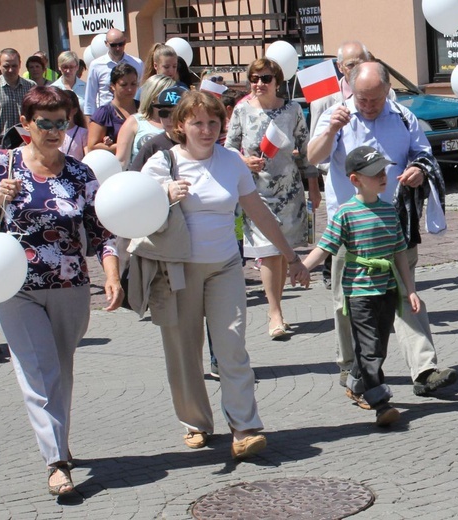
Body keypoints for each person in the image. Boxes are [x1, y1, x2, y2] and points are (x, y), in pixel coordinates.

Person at [0, 86, 123, 496]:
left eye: (61, 122)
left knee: (60, 368)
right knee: (39, 370)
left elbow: (100, 230)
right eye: (44, 123)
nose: (53, 131)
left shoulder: (79, 172)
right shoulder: (3, 165)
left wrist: (112, 274)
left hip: (70, 286)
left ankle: (58, 439)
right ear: (26, 125)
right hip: (15, 286)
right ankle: (56, 463)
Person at [139, 90, 310, 459]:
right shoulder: (162, 163)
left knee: (231, 346)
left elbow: (258, 212)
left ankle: (244, 426)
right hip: (177, 271)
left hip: (224, 268)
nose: (206, 129)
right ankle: (195, 422)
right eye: (197, 122)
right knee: (184, 352)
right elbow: (135, 209)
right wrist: (165, 193)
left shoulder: (231, 161)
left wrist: (290, 255)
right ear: (181, 125)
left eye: (213, 122)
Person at [308, 61, 458, 397]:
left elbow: (425, 154)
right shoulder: (337, 115)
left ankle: (425, 370)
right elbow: (312, 157)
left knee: (406, 297)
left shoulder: (404, 117)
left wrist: (419, 169)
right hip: (349, 228)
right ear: (351, 90)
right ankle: (352, 369)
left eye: (375, 99)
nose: (368, 105)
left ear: (387, 90)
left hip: (394, 224)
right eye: (362, 99)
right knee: (347, 304)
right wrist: (331, 131)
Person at [303, 146, 420, 426]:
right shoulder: (345, 213)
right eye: (374, 173)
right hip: (359, 293)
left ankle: (356, 383)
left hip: (387, 290)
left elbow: (399, 252)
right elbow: (325, 247)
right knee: (368, 348)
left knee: (378, 347)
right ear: (355, 180)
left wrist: (410, 289)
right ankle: (380, 403)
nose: (383, 176)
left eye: (383, 171)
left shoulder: (390, 210)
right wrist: (301, 268)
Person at [225, 57, 319, 339]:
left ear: (278, 81)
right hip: (255, 191)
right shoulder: (242, 110)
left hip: (289, 190)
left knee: (281, 251)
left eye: (265, 78)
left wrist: (313, 186)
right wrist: (244, 161)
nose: (259, 84)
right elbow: (228, 148)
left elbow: (305, 148)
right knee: (267, 251)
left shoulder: (292, 110)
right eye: (254, 78)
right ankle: (274, 312)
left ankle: (276, 308)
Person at [309, 41, 371, 291]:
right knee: (338, 229)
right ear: (340, 67)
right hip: (337, 177)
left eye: (361, 62)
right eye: (351, 64)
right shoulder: (325, 100)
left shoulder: (383, 92)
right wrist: (316, 179)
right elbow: (313, 148)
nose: (356, 69)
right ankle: (330, 270)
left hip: (372, 184)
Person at [115, 74, 175, 168]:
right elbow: (122, 161)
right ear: (152, 97)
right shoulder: (134, 122)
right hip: (139, 177)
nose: (169, 99)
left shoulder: (181, 123)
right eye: (164, 95)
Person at [83, 28, 143, 119]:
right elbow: (90, 98)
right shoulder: (96, 65)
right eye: (113, 45)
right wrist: (89, 122)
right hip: (106, 116)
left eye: (121, 44)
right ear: (106, 43)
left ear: (125, 42)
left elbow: (141, 91)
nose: (118, 48)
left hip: (131, 115)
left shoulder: (137, 64)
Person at [87, 63, 139, 154]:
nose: (130, 89)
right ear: (112, 86)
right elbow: (92, 146)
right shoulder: (103, 113)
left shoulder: (143, 108)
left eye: (133, 84)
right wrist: (127, 145)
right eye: (124, 85)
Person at [129, 86, 185, 170]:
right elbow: (134, 178)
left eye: (176, 113)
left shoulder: (201, 143)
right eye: (164, 113)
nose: (170, 119)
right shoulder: (151, 146)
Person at [59, 90, 88, 161]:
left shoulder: (82, 132)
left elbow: (87, 156)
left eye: (66, 110)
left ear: (74, 111)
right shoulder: (53, 132)